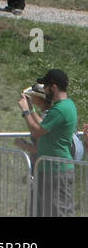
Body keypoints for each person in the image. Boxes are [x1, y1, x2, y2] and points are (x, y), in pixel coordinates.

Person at [21, 69, 78, 217]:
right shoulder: (64, 107)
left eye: (45, 87)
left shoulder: (60, 109)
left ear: (53, 87)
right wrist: (32, 109)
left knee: (58, 213)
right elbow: (44, 126)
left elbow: (36, 131)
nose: (44, 91)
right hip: (51, 169)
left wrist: (25, 111)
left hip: (57, 170)